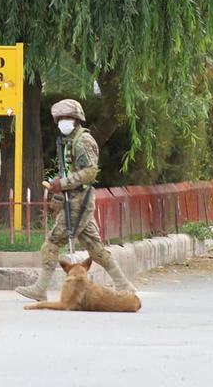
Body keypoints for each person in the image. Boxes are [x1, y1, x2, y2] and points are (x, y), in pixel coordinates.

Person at [15, 99, 136, 301]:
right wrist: (57, 194)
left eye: (67, 118)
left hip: (78, 200)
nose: (63, 121)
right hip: (73, 198)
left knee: (52, 242)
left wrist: (61, 184)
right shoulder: (67, 141)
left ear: (77, 119)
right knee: (95, 248)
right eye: (60, 118)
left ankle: (40, 288)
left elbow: (89, 172)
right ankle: (124, 284)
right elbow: (67, 171)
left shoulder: (83, 141)